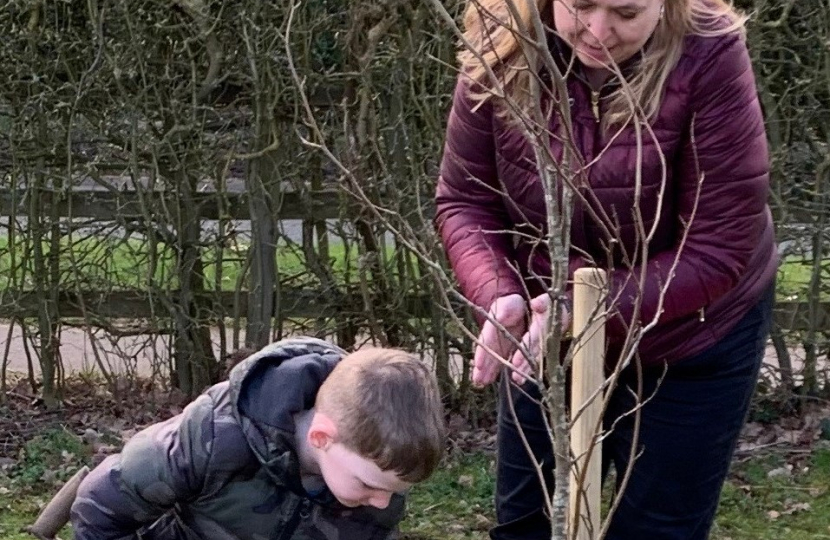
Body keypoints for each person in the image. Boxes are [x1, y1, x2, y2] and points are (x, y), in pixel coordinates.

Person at [435, 0, 777, 538]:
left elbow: (719, 246)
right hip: (544, 331)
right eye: (581, 6)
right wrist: (502, 295)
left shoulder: (709, 51)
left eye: (625, 11)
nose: (598, 32)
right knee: (527, 523)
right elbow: (464, 200)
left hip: (689, 336)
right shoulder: (504, 39)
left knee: (656, 529)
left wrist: (588, 308)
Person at [69, 337, 446, 540]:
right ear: (321, 437)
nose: (382, 503)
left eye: (395, 492)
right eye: (367, 484)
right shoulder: (215, 438)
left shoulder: (377, 494)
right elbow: (101, 504)